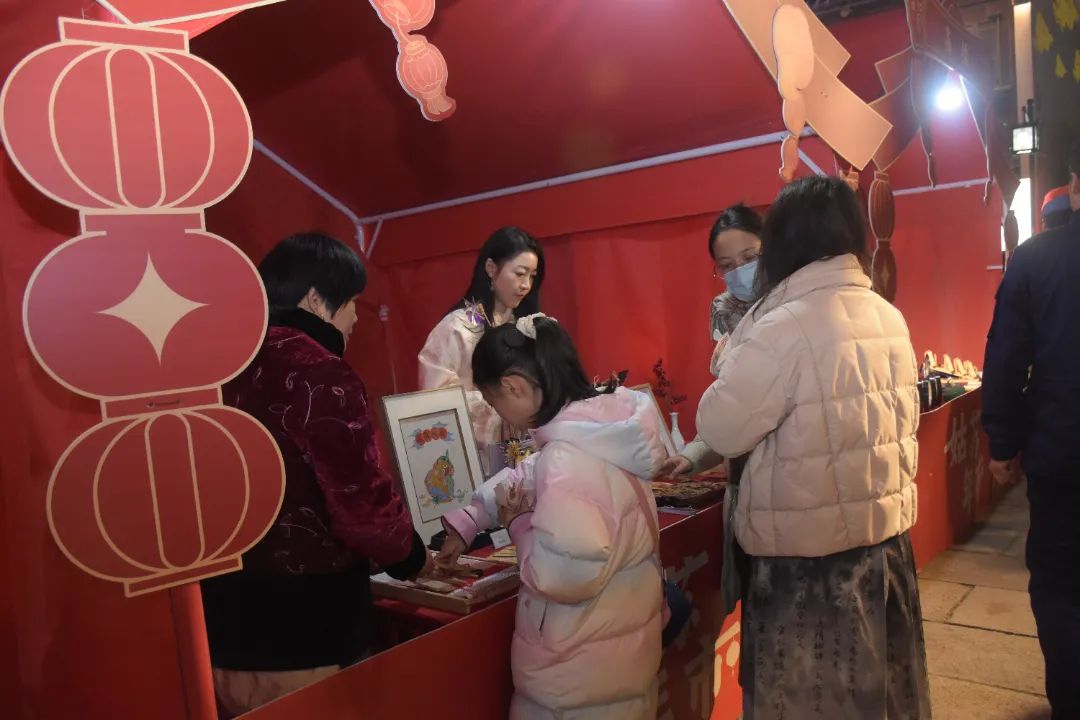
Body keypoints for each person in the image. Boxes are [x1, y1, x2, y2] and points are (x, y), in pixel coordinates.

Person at [696, 176, 928, 719]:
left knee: (808, 701)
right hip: (885, 547)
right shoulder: (886, 314)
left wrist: (737, 346)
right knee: (879, 697)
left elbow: (721, 427)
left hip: (808, 565)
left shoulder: (780, 327)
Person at [200, 233, 431, 717]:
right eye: (349, 304)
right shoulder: (321, 372)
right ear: (314, 299)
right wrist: (412, 556)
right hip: (307, 630)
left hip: (222, 622)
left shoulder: (218, 367)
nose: (355, 320)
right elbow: (362, 507)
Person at [470, 314, 666, 720]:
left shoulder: (565, 458)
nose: (498, 414)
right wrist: (470, 516)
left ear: (513, 387)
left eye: (493, 402)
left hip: (574, 676)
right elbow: (533, 474)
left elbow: (565, 574)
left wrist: (518, 524)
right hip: (615, 659)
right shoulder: (602, 429)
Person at [982, 141, 1080, 719]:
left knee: (1060, 587)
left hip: (1060, 455)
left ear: (1074, 181)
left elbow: (1005, 357)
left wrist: (1003, 442)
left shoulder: (1037, 259)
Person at [418, 226, 544, 471]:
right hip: (474, 459)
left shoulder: (525, 325)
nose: (526, 285)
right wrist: (502, 411)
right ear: (491, 268)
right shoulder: (458, 328)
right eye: (520, 274)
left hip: (526, 450)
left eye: (532, 276)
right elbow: (434, 397)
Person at [658, 203, 763, 479]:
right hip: (742, 480)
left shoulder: (791, 312)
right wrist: (691, 456)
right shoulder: (725, 316)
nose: (740, 271)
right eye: (727, 265)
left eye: (750, 258)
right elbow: (730, 410)